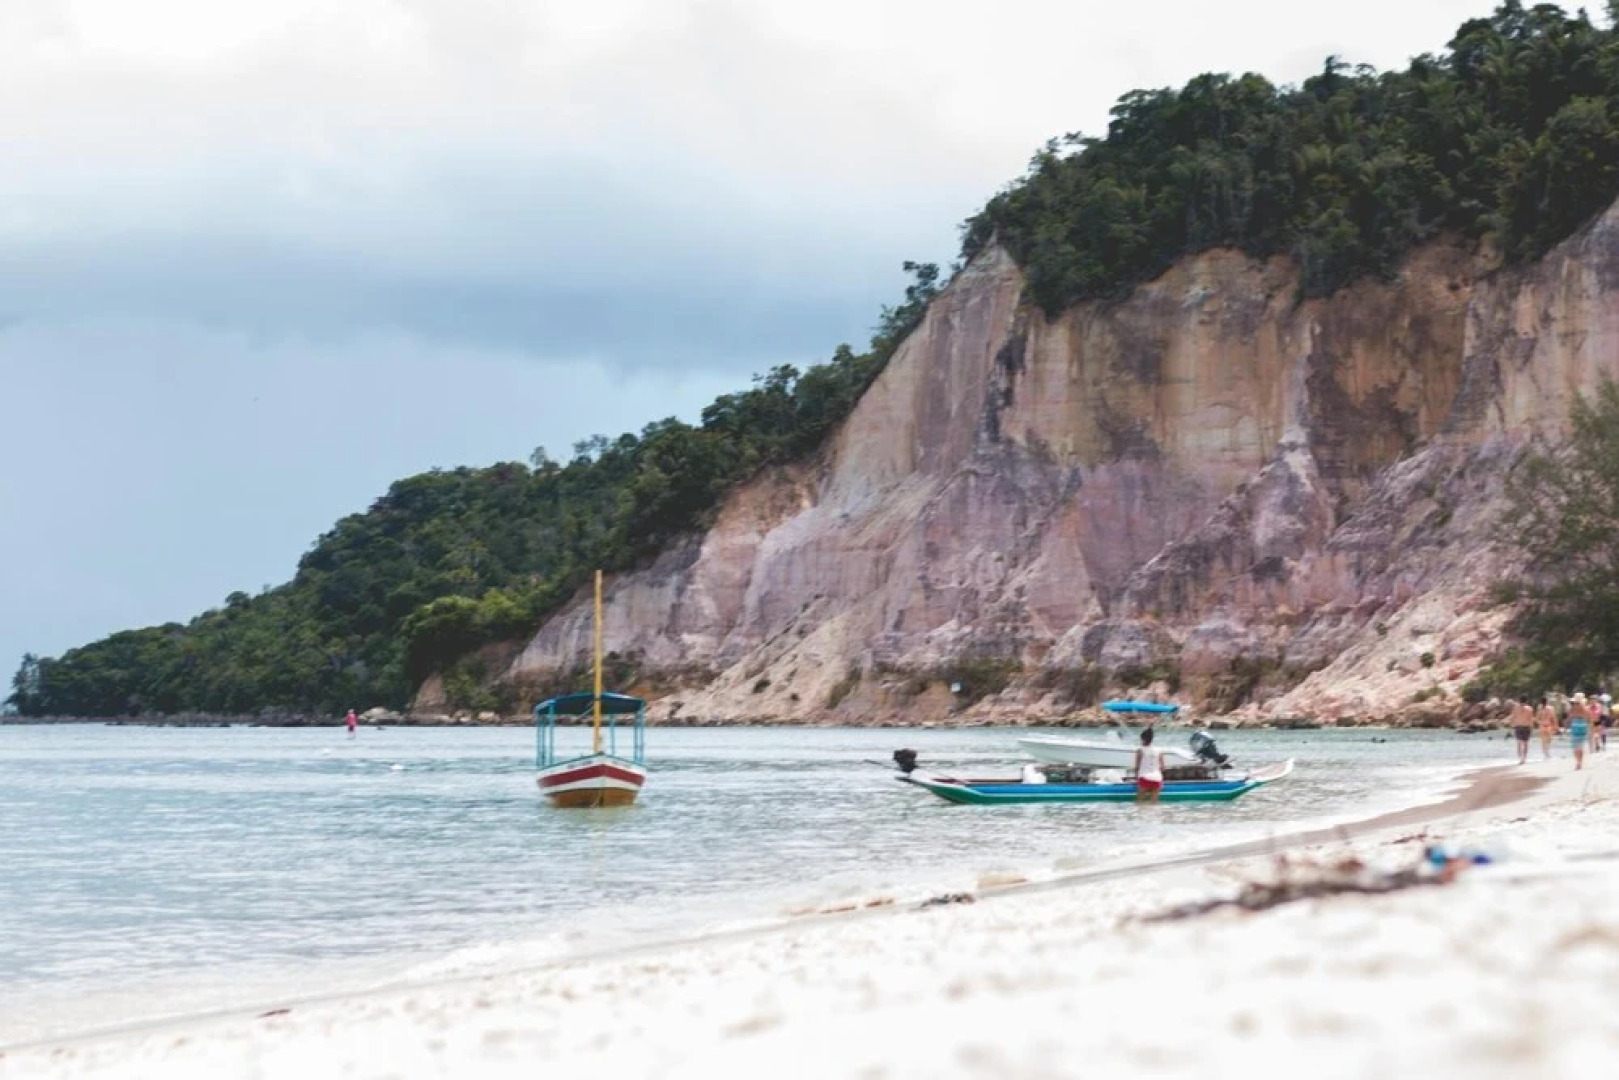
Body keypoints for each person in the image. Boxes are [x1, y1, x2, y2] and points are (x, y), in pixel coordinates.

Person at [1134, 727, 1164, 804]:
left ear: (1143, 739)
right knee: (1154, 803)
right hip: (1157, 778)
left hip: (1145, 777)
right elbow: (1163, 767)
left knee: (1139, 802)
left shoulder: (1140, 750)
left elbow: (1137, 767)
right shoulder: (1159, 750)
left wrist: (1136, 778)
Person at [1568, 694, 1589, 771]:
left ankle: (1578, 762)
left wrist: (1566, 726)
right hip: (1583, 725)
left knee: (1575, 746)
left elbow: (1569, 717)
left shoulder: (1573, 708)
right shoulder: (1585, 708)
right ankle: (1580, 762)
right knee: (1581, 745)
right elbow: (1588, 718)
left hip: (1575, 725)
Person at [1511, 698, 1533, 765]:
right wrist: (1532, 728)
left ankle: (1520, 758)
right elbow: (1530, 719)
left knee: (1519, 743)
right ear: (1526, 701)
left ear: (1519, 701)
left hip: (1518, 727)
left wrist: (1511, 726)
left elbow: (1513, 717)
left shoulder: (1516, 708)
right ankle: (1524, 758)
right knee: (1525, 743)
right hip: (1526, 727)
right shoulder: (1529, 708)